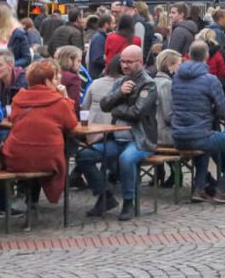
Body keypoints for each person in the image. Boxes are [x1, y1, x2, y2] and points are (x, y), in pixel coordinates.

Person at [76, 45, 157, 222]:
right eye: (123, 61)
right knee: (84, 155)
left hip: (140, 139)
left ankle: (129, 202)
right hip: (115, 138)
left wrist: (116, 109)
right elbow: (105, 104)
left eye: (130, 62)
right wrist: (120, 93)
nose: (125, 65)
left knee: (126, 160)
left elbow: (137, 112)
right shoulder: (120, 82)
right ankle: (105, 195)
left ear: (140, 62)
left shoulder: (149, 84)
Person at [2, 59, 79, 205]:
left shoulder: (18, 99)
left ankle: (28, 201)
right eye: (54, 78)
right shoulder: (59, 102)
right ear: (47, 81)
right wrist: (65, 97)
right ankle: (32, 201)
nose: (57, 82)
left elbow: (13, 119)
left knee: (30, 149)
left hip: (16, 158)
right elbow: (71, 123)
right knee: (47, 150)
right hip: (48, 159)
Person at [172, 40, 225, 203]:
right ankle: (224, 187)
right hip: (200, 136)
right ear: (207, 56)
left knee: (204, 143)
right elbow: (222, 111)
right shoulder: (210, 80)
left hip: (178, 136)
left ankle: (199, 189)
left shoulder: (177, 78)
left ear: (189, 55)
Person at [153, 48, 181, 149]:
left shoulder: (155, 81)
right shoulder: (166, 84)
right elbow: (168, 115)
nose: (180, 68)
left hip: (156, 134)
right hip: (164, 136)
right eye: (179, 65)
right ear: (170, 66)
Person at [0, 2, 31, 68]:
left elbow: (27, 59)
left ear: (4, 16)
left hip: (11, 75)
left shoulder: (18, 34)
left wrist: (9, 66)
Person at [55, 45, 85, 114]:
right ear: (69, 60)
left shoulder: (54, 74)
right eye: (78, 61)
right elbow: (75, 105)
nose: (80, 65)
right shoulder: (73, 78)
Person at [87, 12, 114, 78]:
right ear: (106, 24)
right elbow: (98, 58)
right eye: (113, 23)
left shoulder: (101, 37)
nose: (114, 25)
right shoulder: (99, 38)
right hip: (97, 76)